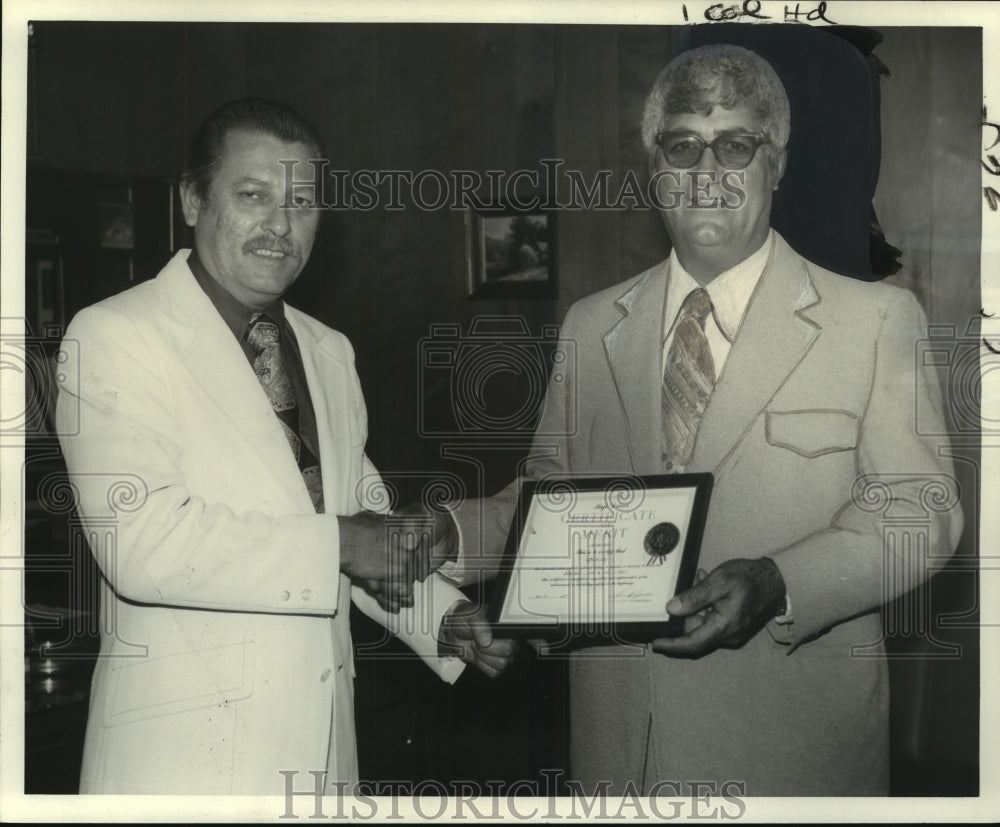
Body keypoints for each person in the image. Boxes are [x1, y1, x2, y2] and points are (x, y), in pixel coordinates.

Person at [450, 44, 962, 795]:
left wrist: (780, 579)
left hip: (791, 764)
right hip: (617, 761)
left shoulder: (875, 319)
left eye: (737, 145)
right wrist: (446, 537)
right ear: (654, 166)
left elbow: (924, 512)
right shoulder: (592, 327)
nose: (708, 171)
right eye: (683, 144)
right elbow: (546, 498)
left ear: (776, 165)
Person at [55, 98, 514, 795]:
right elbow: (142, 542)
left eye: (302, 201)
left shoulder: (328, 349)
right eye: (252, 195)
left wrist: (443, 618)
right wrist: (343, 544)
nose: (280, 225)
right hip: (183, 768)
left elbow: (364, 522)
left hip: (322, 759)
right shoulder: (115, 335)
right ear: (191, 200)